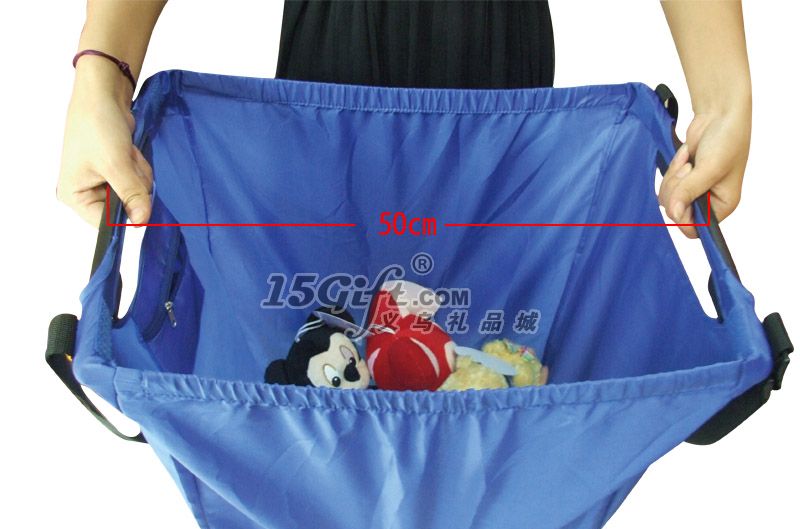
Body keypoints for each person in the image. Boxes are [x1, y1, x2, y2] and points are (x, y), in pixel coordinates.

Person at [56, 0, 753, 240]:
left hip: (496, 67)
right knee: (328, 365)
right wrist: (101, 73)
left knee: (490, 374)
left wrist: (724, 96)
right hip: (334, 64)